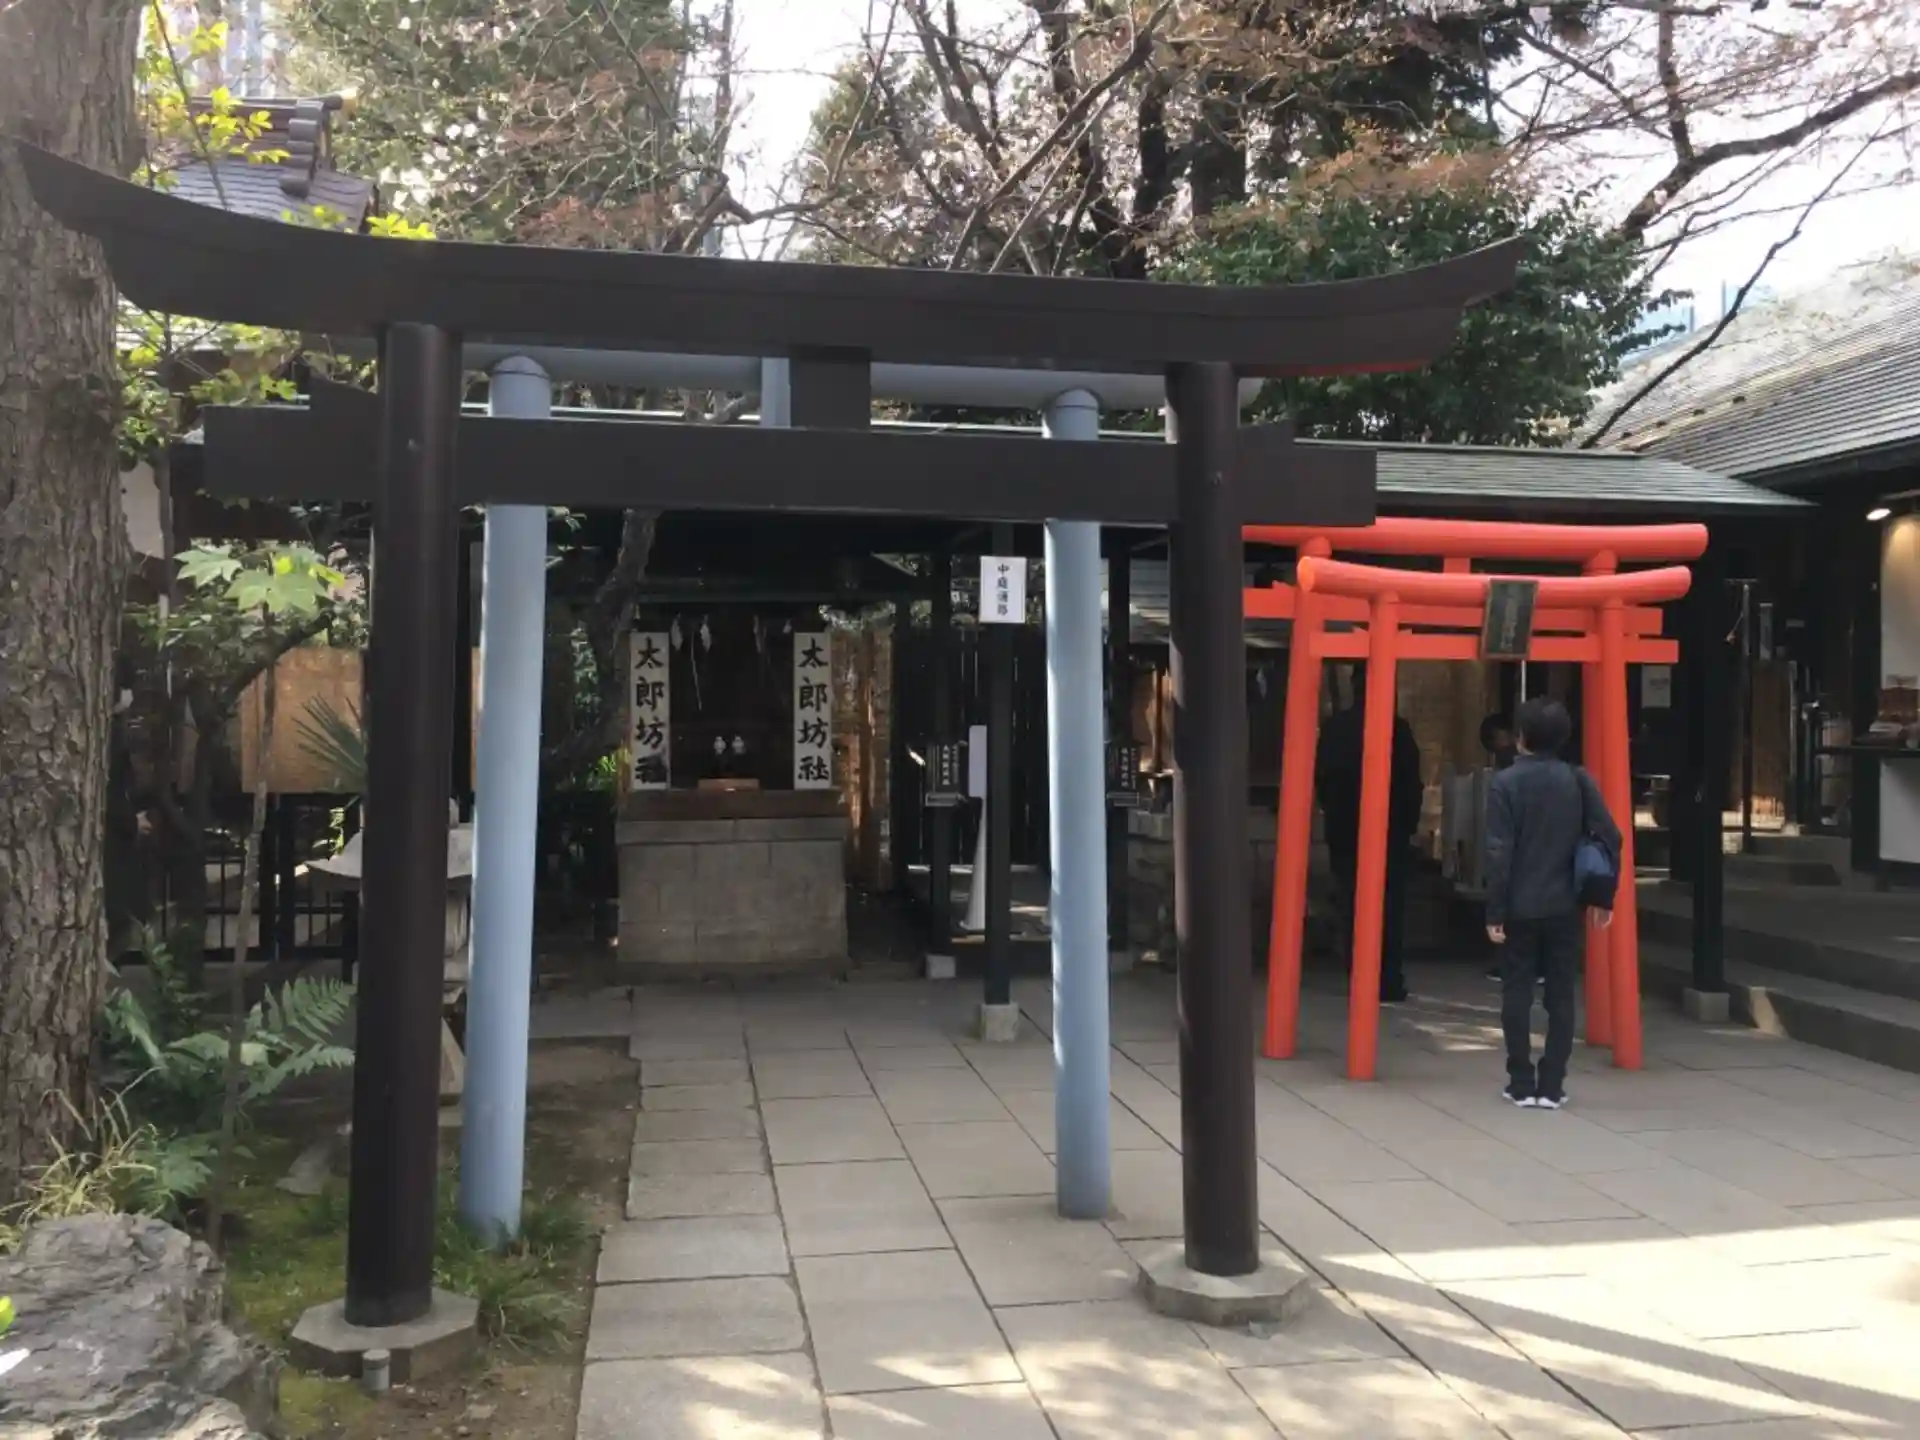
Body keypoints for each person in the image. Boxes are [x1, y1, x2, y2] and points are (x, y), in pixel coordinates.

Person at [1483, 697, 1620, 1110]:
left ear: (1521, 737)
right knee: (1561, 993)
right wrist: (1602, 895)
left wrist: (1494, 909)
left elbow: (1499, 852)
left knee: (1516, 991)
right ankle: (1552, 1084)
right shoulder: (1577, 780)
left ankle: (1521, 1081)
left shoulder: (1505, 783)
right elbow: (1609, 835)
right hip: (1565, 903)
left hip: (1519, 903)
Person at [1315, 667, 1424, 1003]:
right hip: (1391, 829)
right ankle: (1388, 978)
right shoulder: (1398, 729)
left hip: (1344, 830)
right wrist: (1409, 826)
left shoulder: (1335, 728)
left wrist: (1334, 812)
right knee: (1390, 905)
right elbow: (1412, 784)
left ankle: (1358, 976)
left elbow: (1322, 780)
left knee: (1352, 903)